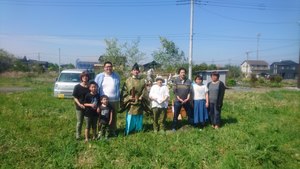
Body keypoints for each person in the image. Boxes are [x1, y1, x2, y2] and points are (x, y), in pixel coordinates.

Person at [94, 61, 120, 137]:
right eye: (107, 67)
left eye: (110, 66)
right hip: (102, 101)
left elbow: (118, 87)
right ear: (104, 68)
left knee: (113, 116)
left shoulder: (116, 76)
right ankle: (100, 132)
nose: (108, 68)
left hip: (114, 100)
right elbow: (95, 88)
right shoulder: (99, 76)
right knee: (101, 117)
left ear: (112, 67)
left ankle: (112, 130)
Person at [121, 63, 146, 135]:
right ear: (131, 71)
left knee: (139, 116)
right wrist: (129, 97)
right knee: (130, 116)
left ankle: (138, 130)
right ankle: (128, 130)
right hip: (130, 102)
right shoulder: (128, 80)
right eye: (134, 70)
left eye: (137, 70)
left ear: (139, 72)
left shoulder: (142, 81)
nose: (136, 71)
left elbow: (145, 91)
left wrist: (142, 96)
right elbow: (124, 91)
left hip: (139, 101)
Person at [72, 71, 90, 140]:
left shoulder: (90, 86)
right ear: (81, 78)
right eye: (83, 76)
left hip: (88, 108)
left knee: (88, 122)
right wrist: (79, 104)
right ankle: (78, 135)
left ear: (88, 78)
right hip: (79, 107)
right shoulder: (77, 87)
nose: (85, 77)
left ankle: (87, 135)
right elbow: (75, 97)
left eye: (86, 76)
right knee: (79, 122)